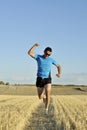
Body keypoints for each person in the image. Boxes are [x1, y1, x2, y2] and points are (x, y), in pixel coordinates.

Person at [28, 43, 61, 114]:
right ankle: (43, 97)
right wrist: (34, 46)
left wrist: (59, 73)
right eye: (46, 54)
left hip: (47, 79)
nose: (47, 55)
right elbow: (29, 53)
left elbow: (58, 66)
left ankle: (46, 109)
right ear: (44, 51)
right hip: (39, 79)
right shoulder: (38, 57)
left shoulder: (51, 60)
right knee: (40, 97)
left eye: (49, 55)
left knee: (48, 93)